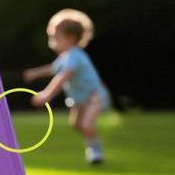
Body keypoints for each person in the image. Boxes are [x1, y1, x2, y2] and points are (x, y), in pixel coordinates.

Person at [23, 8, 111, 164]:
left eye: (55, 38)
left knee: (86, 124)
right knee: (77, 124)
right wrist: (34, 73)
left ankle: (95, 151)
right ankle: (92, 145)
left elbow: (62, 76)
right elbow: (53, 68)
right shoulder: (65, 57)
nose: (52, 42)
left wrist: (47, 94)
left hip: (93, 96)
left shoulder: (74, 56)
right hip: (79, 99)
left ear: (70, 38)